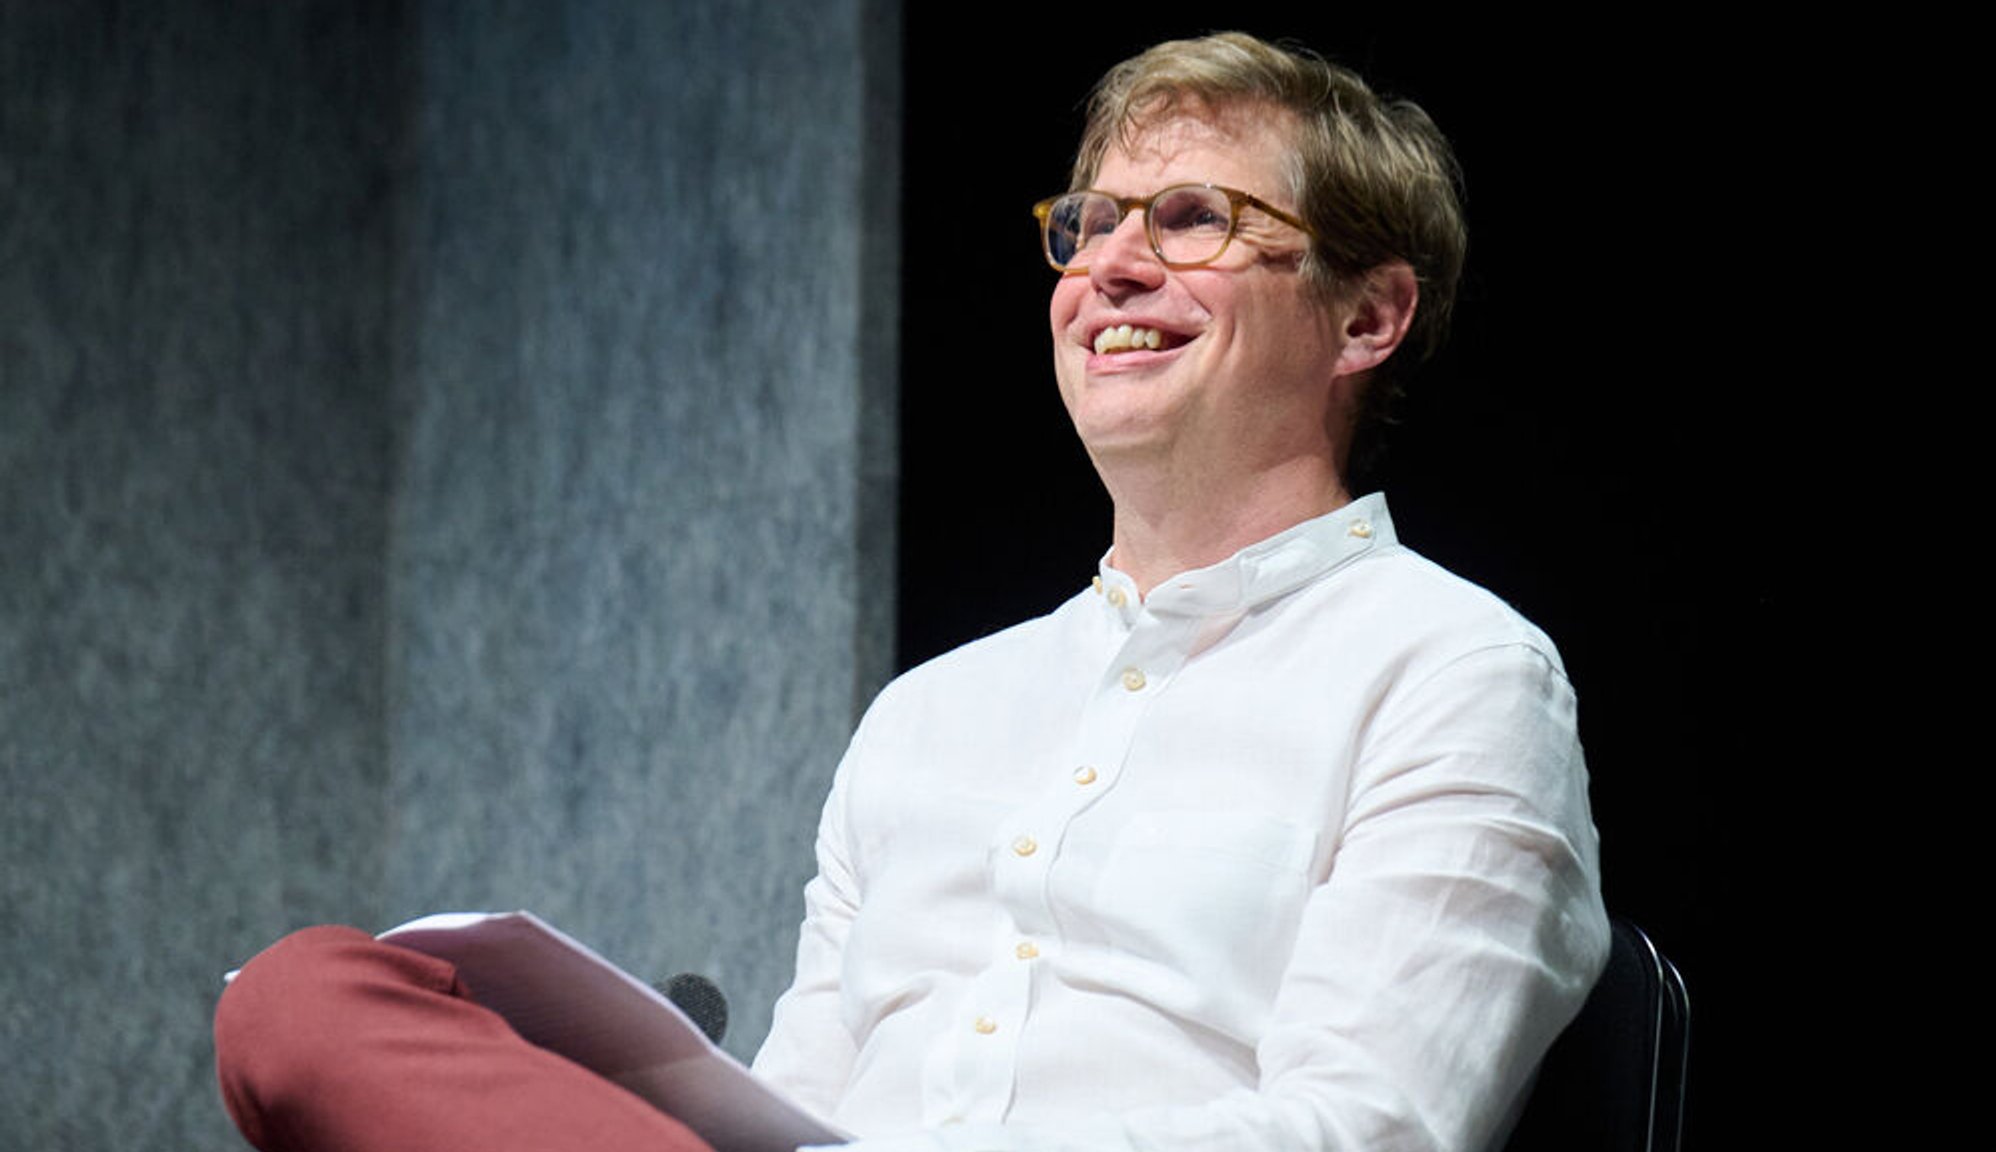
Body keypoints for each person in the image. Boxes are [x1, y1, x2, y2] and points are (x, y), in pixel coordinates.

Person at [215, 31, 1606, 1152]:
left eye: (1193, 221)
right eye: (1093, 222)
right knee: (309, 1001)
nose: (1111, 264)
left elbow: (1367, 1131)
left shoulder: (1455, 672)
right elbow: (789, 1103)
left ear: (1366, 317)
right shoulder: (929, 717)